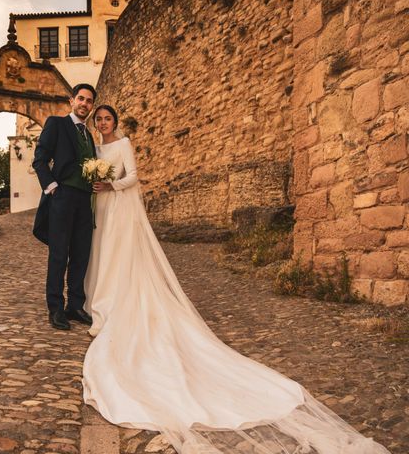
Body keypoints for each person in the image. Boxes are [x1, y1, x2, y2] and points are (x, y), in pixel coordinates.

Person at [82, 105, 390, 454]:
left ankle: (118, 300)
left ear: (115, 122)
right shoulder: (95, 148)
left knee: (123, 255)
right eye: (100, 119)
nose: (103, 123)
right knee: (103, 253)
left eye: (107, 118)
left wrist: (111, 184)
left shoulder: (123, 143)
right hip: (103, 207)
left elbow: (133, 177)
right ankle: (100, 297)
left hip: (120, 205)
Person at [32, 84, 97, 331]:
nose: (84, 104)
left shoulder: (88, 136)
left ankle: (75, 305)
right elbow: (40, 159)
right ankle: (56, 308)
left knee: (81, 254)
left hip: (85, 200)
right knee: (59, 254)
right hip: (62, 196)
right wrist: (51, 187)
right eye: (81, 98)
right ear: (72, 101)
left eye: (89, 101)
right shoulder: (56, 124)